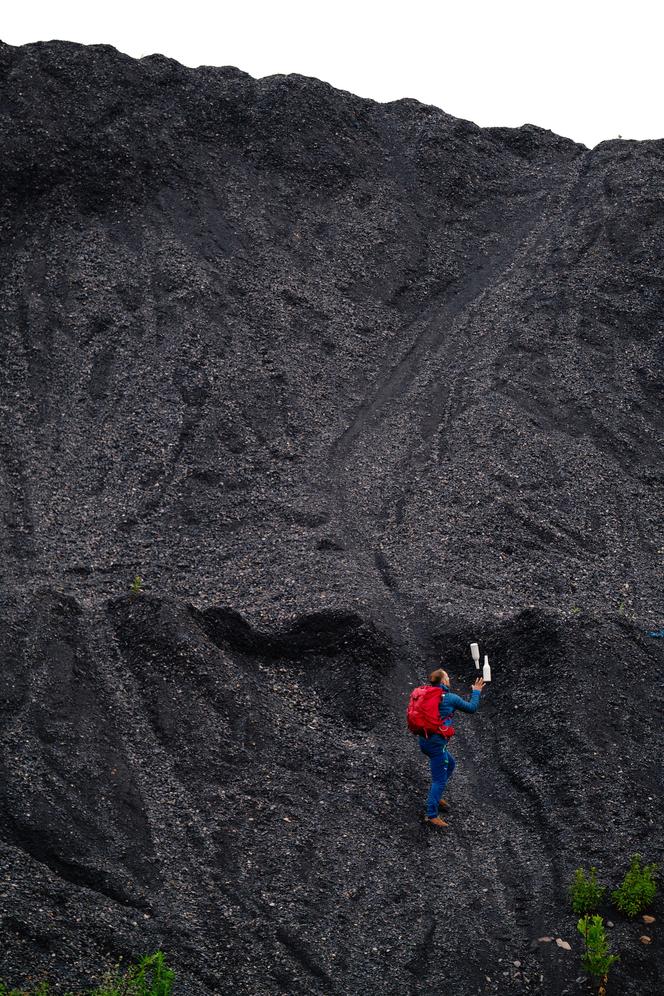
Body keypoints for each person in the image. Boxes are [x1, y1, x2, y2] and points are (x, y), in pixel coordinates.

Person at [420, 668, 485, 828]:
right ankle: (431, 815)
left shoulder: (424, 694)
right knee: (439, 780)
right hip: (437, 744)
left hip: (424, 740)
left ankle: (436, 798)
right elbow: (472, 708)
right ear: (443, 681)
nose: (449, 679)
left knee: (451, 764)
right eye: (447, 677)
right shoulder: (450, 698)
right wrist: (476, 691)